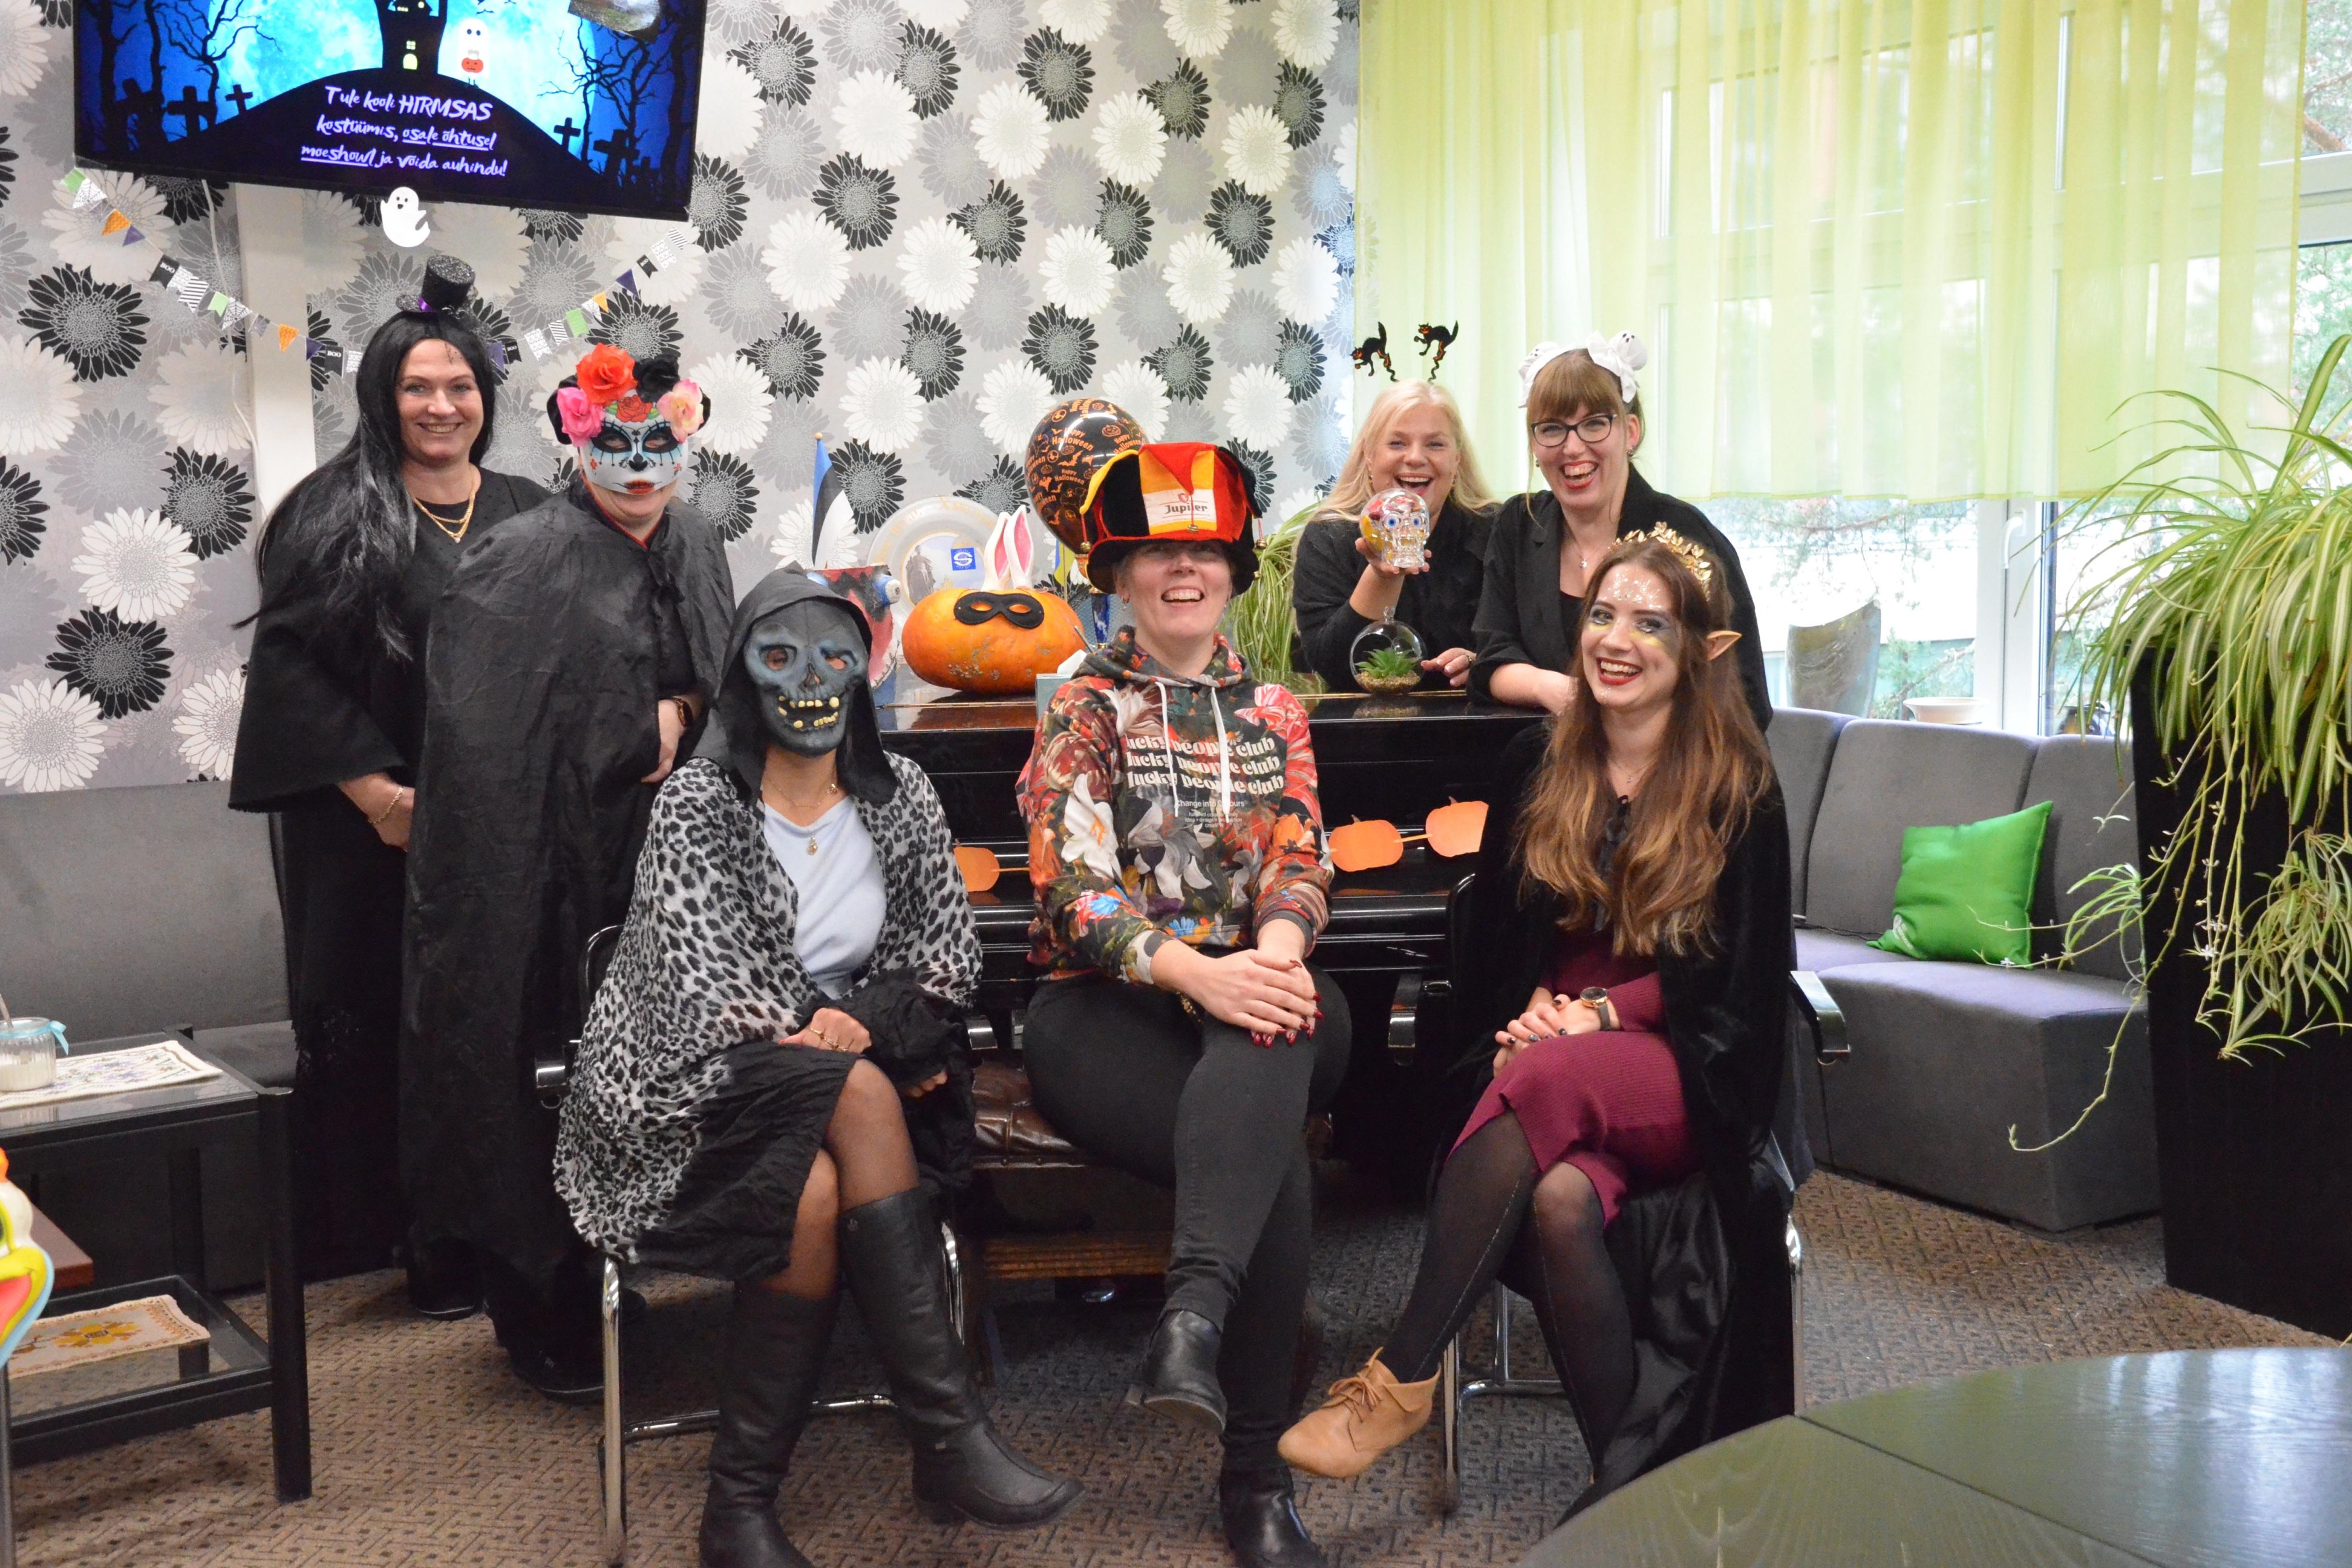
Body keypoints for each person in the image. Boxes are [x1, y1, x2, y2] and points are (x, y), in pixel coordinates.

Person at [556, 572, 1080, 1568]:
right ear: (743, 675)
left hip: (827, 1086)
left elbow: (944, 958)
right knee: (859, 1089)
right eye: (780, 658)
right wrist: (856, 1035)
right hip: (681, 1090)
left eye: (834, 659)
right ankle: (947, 1433)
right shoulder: (699, 803)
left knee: (816, 1189)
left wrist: (854, 1025)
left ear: (861, 672)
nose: (809, 681)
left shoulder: (902, 792)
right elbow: (714, 986)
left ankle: (738, 1508)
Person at [1279, 529, 1795, 1515]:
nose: (1617, 640)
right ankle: (1633, 1496)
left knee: (1542, 1078)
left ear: (1700, 650)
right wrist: (1529, 1006)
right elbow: (1509, 942)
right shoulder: (1536, 761)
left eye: (1651, 624)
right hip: (1557, 1052)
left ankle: (1401, 1374)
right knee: (1559, 1201)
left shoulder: (1738, 786)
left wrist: (1593, 1016)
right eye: (1602, 615)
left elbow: (1734, 976)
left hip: (1685, 1063)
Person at [1016, 442, 1351, 1568]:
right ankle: (1255, 1482)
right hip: (1106, 1008)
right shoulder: (1082, 703)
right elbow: (1071, 892)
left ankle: (1190, 1320)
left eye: (1204, 550)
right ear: (1118, 572)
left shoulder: (1276, 708)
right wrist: (1202, 973)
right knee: (1271, 1151)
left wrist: (1272, 953)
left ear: (1232, 569)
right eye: (1158, 551)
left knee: (1282, 1033)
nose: (1183, 570)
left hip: (1254, 992)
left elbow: (1300, 860)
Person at [402, 342, 735, 1400]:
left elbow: (720, 676)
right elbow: (490, 739)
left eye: (659, 445)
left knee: (656, 1070)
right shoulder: (517, 561)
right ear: (577, 443)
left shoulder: (695, 538)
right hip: (537, 872)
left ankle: (639, 1268)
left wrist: (678, 708)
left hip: (664, 865)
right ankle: (541, 1300)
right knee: (541, 1063)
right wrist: (631, 725)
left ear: (687, 441)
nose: (639, 468)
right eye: (616, 445)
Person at [229, 255, 547, 1298]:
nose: (441, 405)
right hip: (376, 836)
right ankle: (408, 1245)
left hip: (504, 841)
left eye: (459, 386)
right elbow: (291, 672)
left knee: (499, 1029)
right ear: (382, 396)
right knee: (387, 1029)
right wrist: (381, 799)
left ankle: (503, 1236)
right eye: (417, 387)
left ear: (485, 398)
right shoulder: (332, 512)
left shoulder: (535, 513)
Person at [1472, 335, 1772, 730]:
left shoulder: (1684, 535)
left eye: (1595, 425)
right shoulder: (1519, 524)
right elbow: (1491, 660)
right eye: (1552, 429)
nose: (1572, 448)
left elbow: (1743, 695)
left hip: (1677, 762)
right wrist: (1553, 689)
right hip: (1552, 757)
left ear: (1630, 432)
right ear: (1534, 443)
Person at [1290, 380, 1497, 692]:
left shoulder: (1494, 530)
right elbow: (1334, 668)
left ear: (1457, 459)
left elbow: (1529, 645)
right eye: (1398, 443)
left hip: (1473, 713)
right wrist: (1381, 575)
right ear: (1369, 454)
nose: (1415, 458)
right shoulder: (1328, 535)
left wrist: (1483, 664)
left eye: (1435, 445)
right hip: (1363, 718)